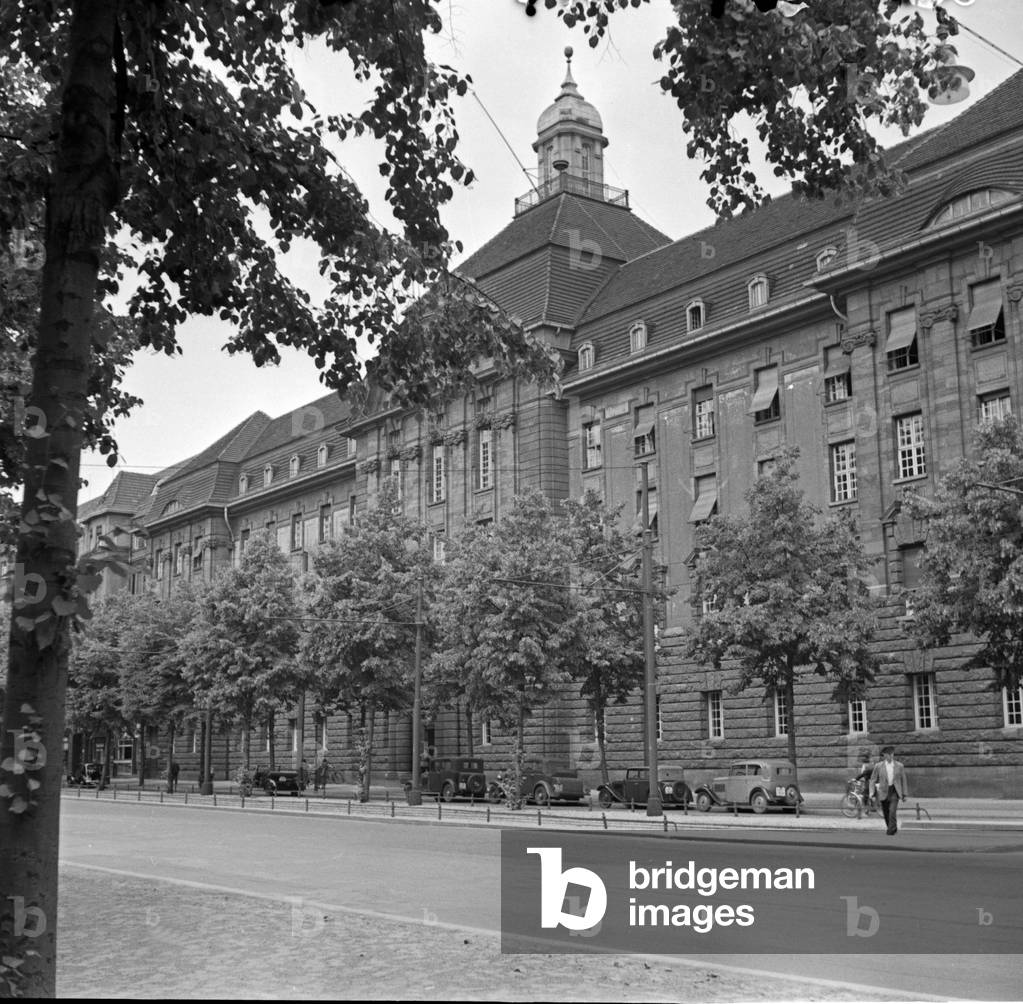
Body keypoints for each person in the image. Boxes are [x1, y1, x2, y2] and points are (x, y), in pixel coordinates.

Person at [870, 745, 909, 835]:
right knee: (886, 812)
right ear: (884, 755)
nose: (891, 757)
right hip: (883, 791)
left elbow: (903, 780)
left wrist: (904, 794)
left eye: (892, 754)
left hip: (894, 790)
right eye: (888, 755)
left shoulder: (899, 766)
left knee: (892, 810)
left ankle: (891, 830)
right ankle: (892, 827)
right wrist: (871, 792)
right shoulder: (878, 766)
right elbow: (872, 780)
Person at [853, 752, 874, 818]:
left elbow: (863, 773)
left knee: (863, 795)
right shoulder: (870, 763)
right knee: (863, 795)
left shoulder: (867, 765)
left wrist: (856, 779)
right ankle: (866, 809)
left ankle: (864, 811)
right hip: (865, 780)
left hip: (866, 781)